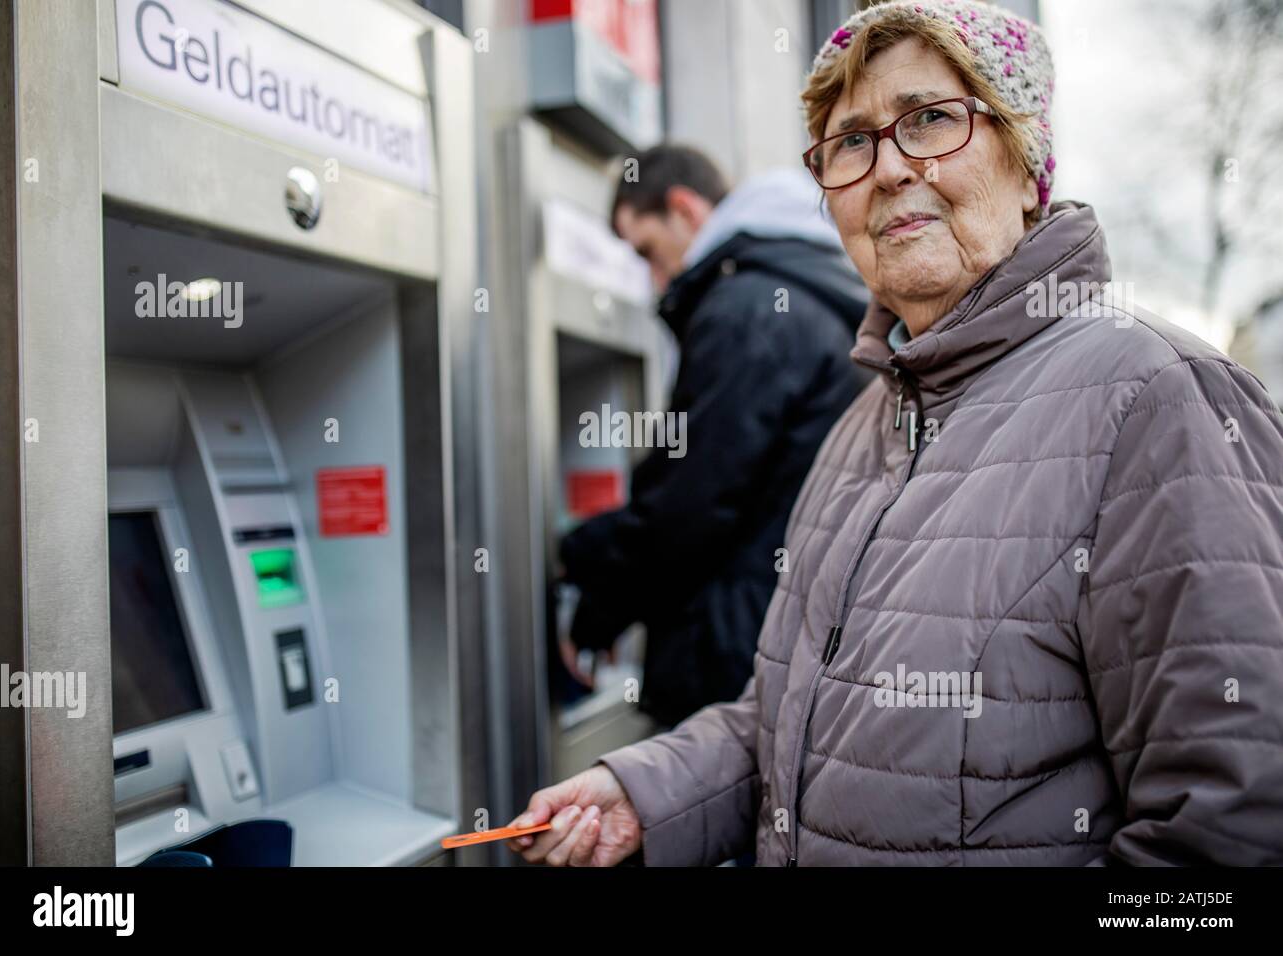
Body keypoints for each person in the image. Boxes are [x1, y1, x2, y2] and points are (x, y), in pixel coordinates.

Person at [510, 0, 1283, 867]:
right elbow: (781, 715)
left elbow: (1230, 831)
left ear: (1025, 160)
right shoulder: (861, 426)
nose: (886, 170)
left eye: (929, 121)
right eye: (851, 144)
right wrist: (643, 793)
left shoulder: (1162, 400)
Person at [557, 147, 872, 729]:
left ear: (684, 208)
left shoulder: (745, 309)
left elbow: (690, 503)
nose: (655, 279)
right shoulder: (808, 289)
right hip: (796, 637)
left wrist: (588, 587)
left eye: (648, 252)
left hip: (735, 656)